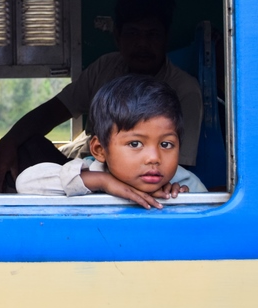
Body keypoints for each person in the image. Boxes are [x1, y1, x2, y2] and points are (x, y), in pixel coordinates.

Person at [0, 0, 202, 192]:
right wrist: (9, 141)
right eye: (133, 34)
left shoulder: (184, 90)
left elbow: (172, 169)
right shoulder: (106, 67)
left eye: (153, 35)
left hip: (137, 179)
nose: (142, 44)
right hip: (85, 170)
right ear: (117, 36)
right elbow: (51, 112)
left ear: (166, 38)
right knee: (24, 146)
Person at [16, 74, 207, 208]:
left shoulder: (185, 184)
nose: (154, 158)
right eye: (135, 144)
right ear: (100, 150)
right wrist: (102, 182)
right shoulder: (89, 171)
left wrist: (180, 202)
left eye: (166, 144)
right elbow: (26, 183)